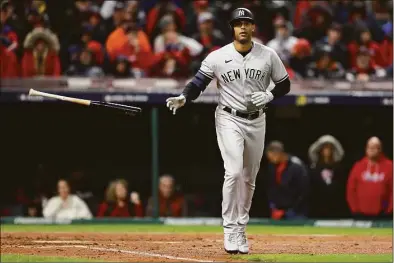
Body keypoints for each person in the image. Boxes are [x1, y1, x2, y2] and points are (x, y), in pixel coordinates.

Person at [165, 8, 291, 254]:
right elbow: (199, 82)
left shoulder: (268, 54)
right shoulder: (218, 56)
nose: (242, 27)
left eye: (247, 23)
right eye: (238, 24)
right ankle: (230, 228)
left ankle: (241, 228)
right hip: (228, 118)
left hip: (257, 120)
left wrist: (269, 94)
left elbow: (285, 84)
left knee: (249, 179)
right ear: (232, 28)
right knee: (233, 172)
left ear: (253, 27)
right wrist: (184, 97)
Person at [347, 137, 393, 219]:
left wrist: (389, 210)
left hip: (383, 214)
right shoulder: (358, 166)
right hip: (360, 214)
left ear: (380, 149)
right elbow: (351, 190)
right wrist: (355, 210)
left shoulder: (389, 166)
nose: (371, 149)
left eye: (375, 147)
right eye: (369, 147)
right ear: (366, 149)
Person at [264, 141, 309, 220]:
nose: (270, 160)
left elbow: (304, 191)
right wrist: (274, 208)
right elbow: (271, 189)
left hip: (296, 213)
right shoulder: (272, 166)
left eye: (272, 156)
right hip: (278, 212)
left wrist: (289, 211)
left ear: (279, 153)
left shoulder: (297, 166)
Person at [308, 135, 347, 218]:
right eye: (325, 148)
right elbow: (312, 186)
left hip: (335, 206)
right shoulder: (315, 168)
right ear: (320, 150)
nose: (327, 150)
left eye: (329, 148)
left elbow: (341, 187)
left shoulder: (338, 168)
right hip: (318, 206)